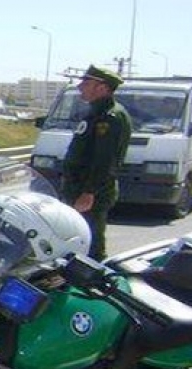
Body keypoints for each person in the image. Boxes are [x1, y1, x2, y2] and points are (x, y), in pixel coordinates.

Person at [61, 65, 132, 260]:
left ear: (102, 87)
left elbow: (106, 160)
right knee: (75, 240)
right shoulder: (95, 112)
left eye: (86, 82)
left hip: (91, 192)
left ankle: (98, 274)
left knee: (91, 245)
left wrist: (89, 192)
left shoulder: (110, 117)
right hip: (78, 188)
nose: (80, 87)